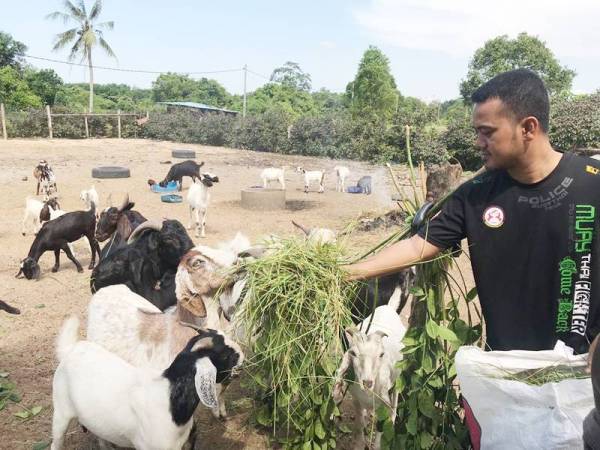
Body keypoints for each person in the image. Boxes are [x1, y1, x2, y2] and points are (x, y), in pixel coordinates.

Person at [346, 69, 600, 354]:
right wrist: (349, 272)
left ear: (528, 128)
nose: (478, 143)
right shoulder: (475, 194)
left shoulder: (593, 182)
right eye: (477, 132)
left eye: (487, 132)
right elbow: (418, 246)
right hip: (506, 366)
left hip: (584, 369)